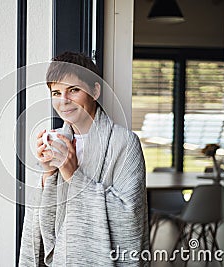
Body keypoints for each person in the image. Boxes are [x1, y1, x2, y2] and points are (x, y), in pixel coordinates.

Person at [19, 52, 149, 266]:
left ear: (95, 91)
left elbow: (130, 218)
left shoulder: (125, 143)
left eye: (74, 90)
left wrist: (72, 175)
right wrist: (47, 173)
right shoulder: (57, 142)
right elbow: (45, 225)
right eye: (56, 92)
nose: (63, 101)